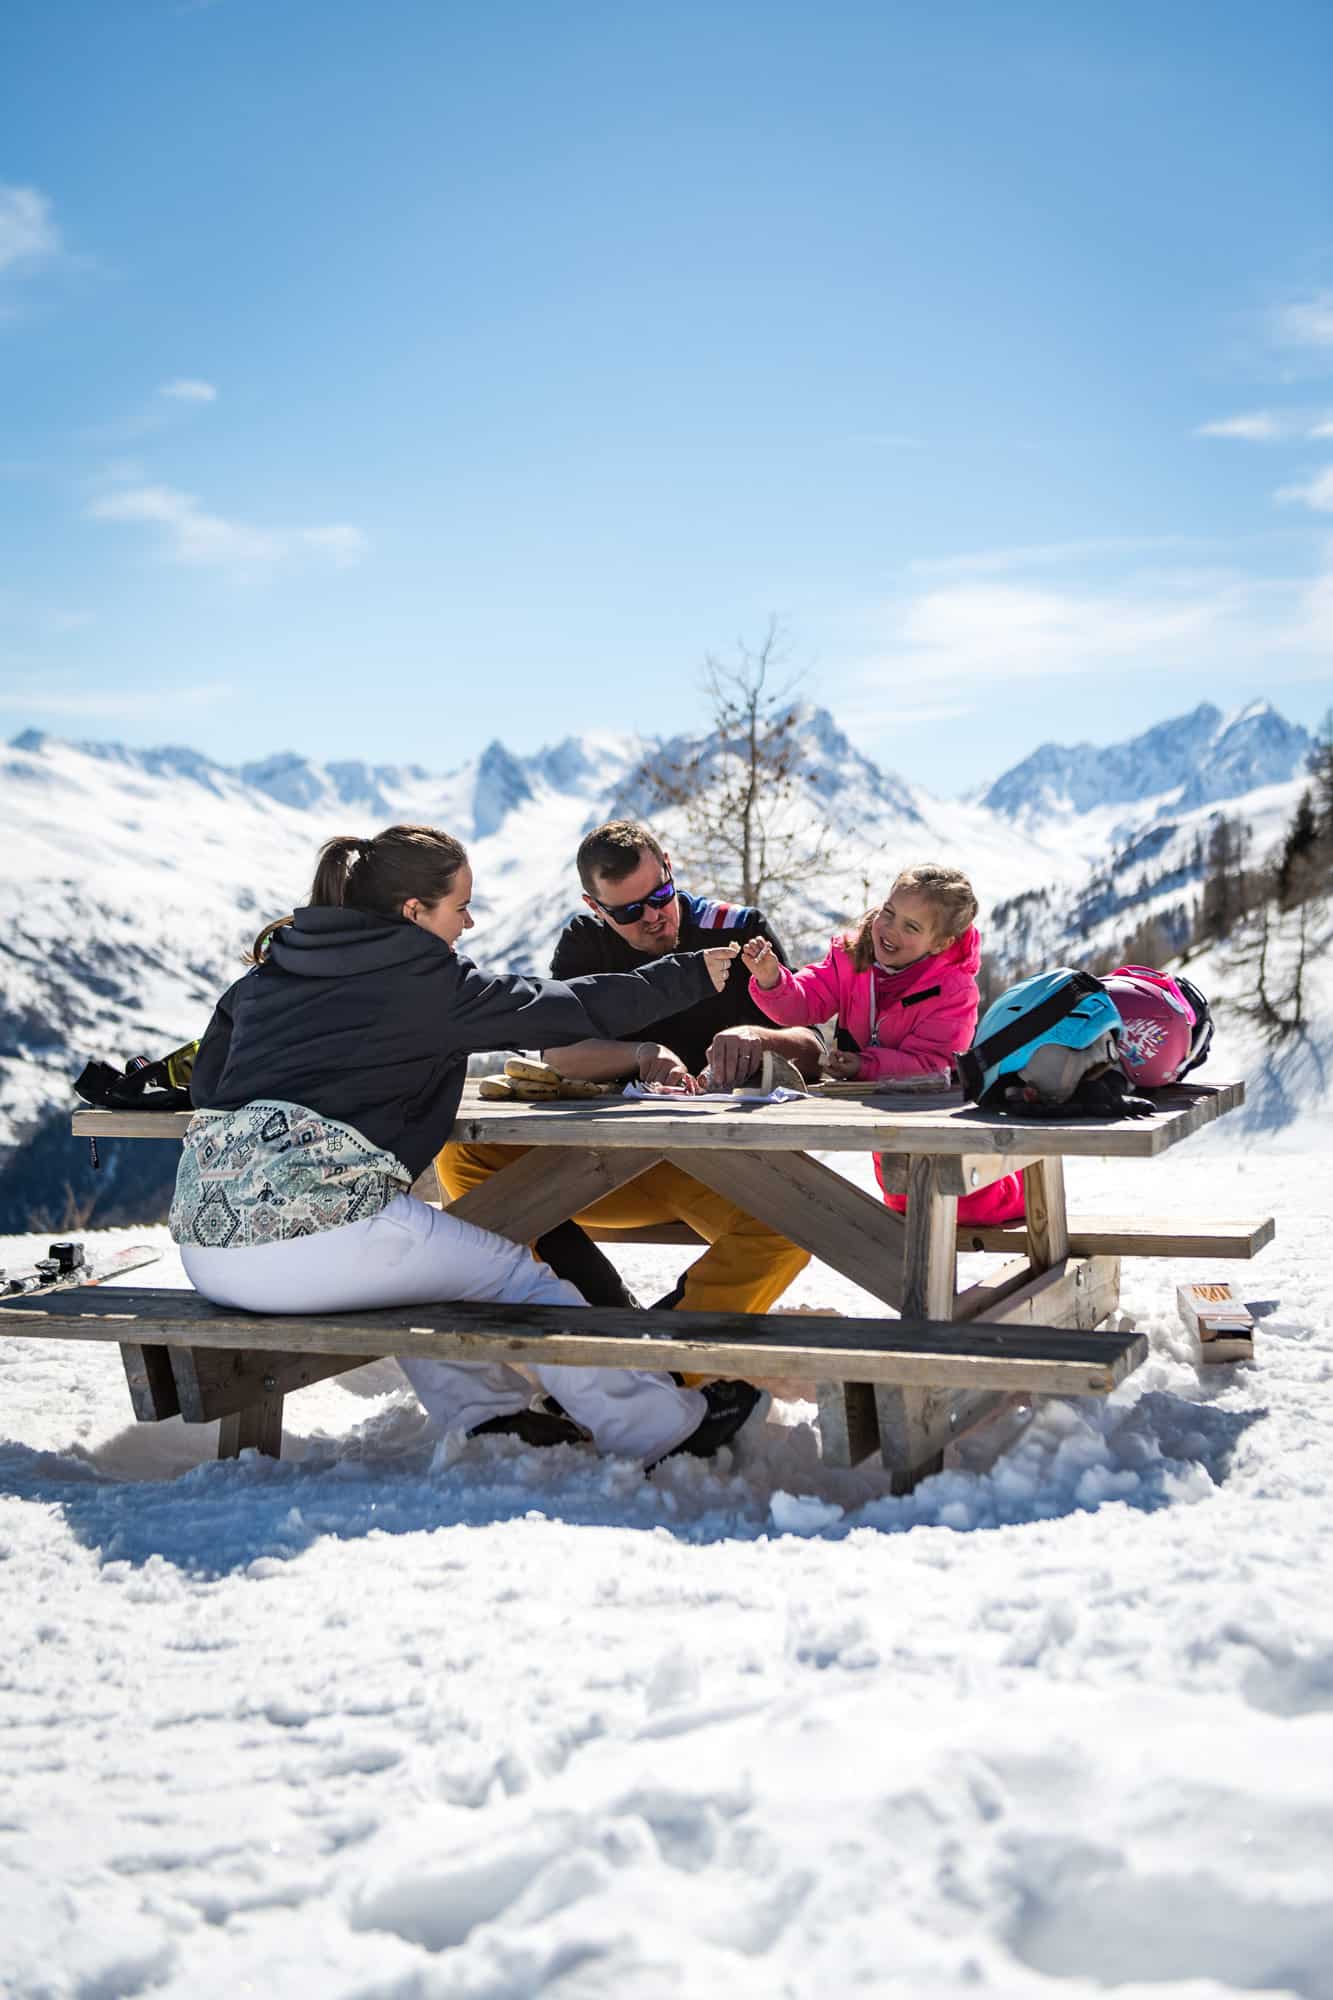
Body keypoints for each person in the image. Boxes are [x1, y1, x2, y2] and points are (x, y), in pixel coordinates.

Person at [169, 824, 760, 1466]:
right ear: (413, 912)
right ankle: (660, 1428)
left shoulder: (268, 973)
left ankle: (491, 1417)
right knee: (526, 1281)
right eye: (459, 907)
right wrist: (688, 976)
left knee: (425, 1271)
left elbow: (208, 1083)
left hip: (208, 1248)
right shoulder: (421, 979)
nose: (469, 922)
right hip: (315, 1239)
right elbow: (561, 1007)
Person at [437, 820, 823, 1321]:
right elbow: (557, 1052)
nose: (655, 917)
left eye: (661, 895)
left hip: (720, 1168)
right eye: (628, 911)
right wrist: (640, 1054)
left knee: (794, 1226)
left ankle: (666, 1362)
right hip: (601, 1165)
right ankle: (599, 1312)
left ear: (669, 866)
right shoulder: (585, 942)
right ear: (594, 907)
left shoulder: (737, 928)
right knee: (465, 1157)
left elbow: (812, 1047)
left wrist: (760, 1038)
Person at [741, 862, 1026, 1227]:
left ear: (940, 943)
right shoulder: (851, 956)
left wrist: (864, 1065)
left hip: (935, 1118)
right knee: (905, 1202)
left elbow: (935, 1064)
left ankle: (1019, 1185)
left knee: (964, 1207)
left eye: (911, 926)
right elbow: (804, 1000)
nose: (890, 931)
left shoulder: (953, 989)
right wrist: (772, 980)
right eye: (889, 914)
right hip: (881, 1118)